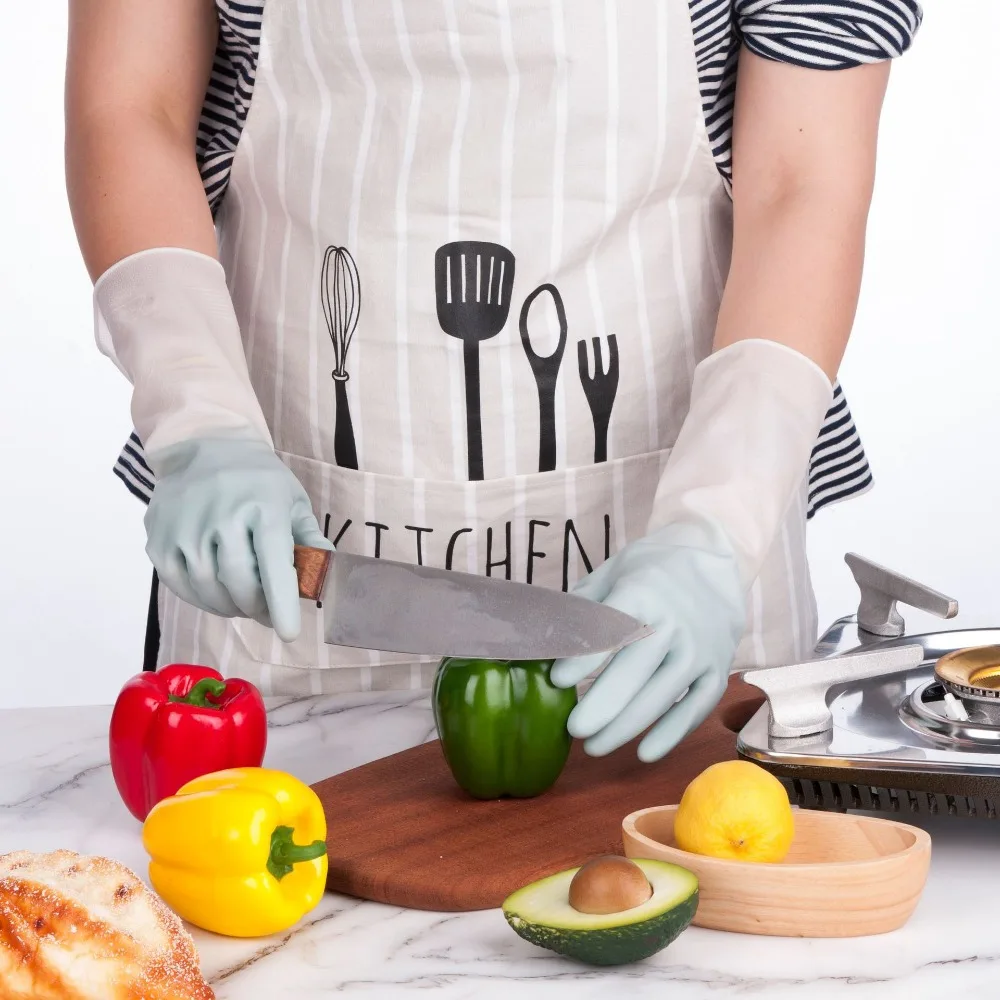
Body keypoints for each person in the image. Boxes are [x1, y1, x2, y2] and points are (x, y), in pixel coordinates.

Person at [65, 0, 921, 762]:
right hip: (282, 563)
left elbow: (801, 184)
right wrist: (199, 420)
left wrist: (714, 530)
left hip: (670, 562)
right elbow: (132, 108)